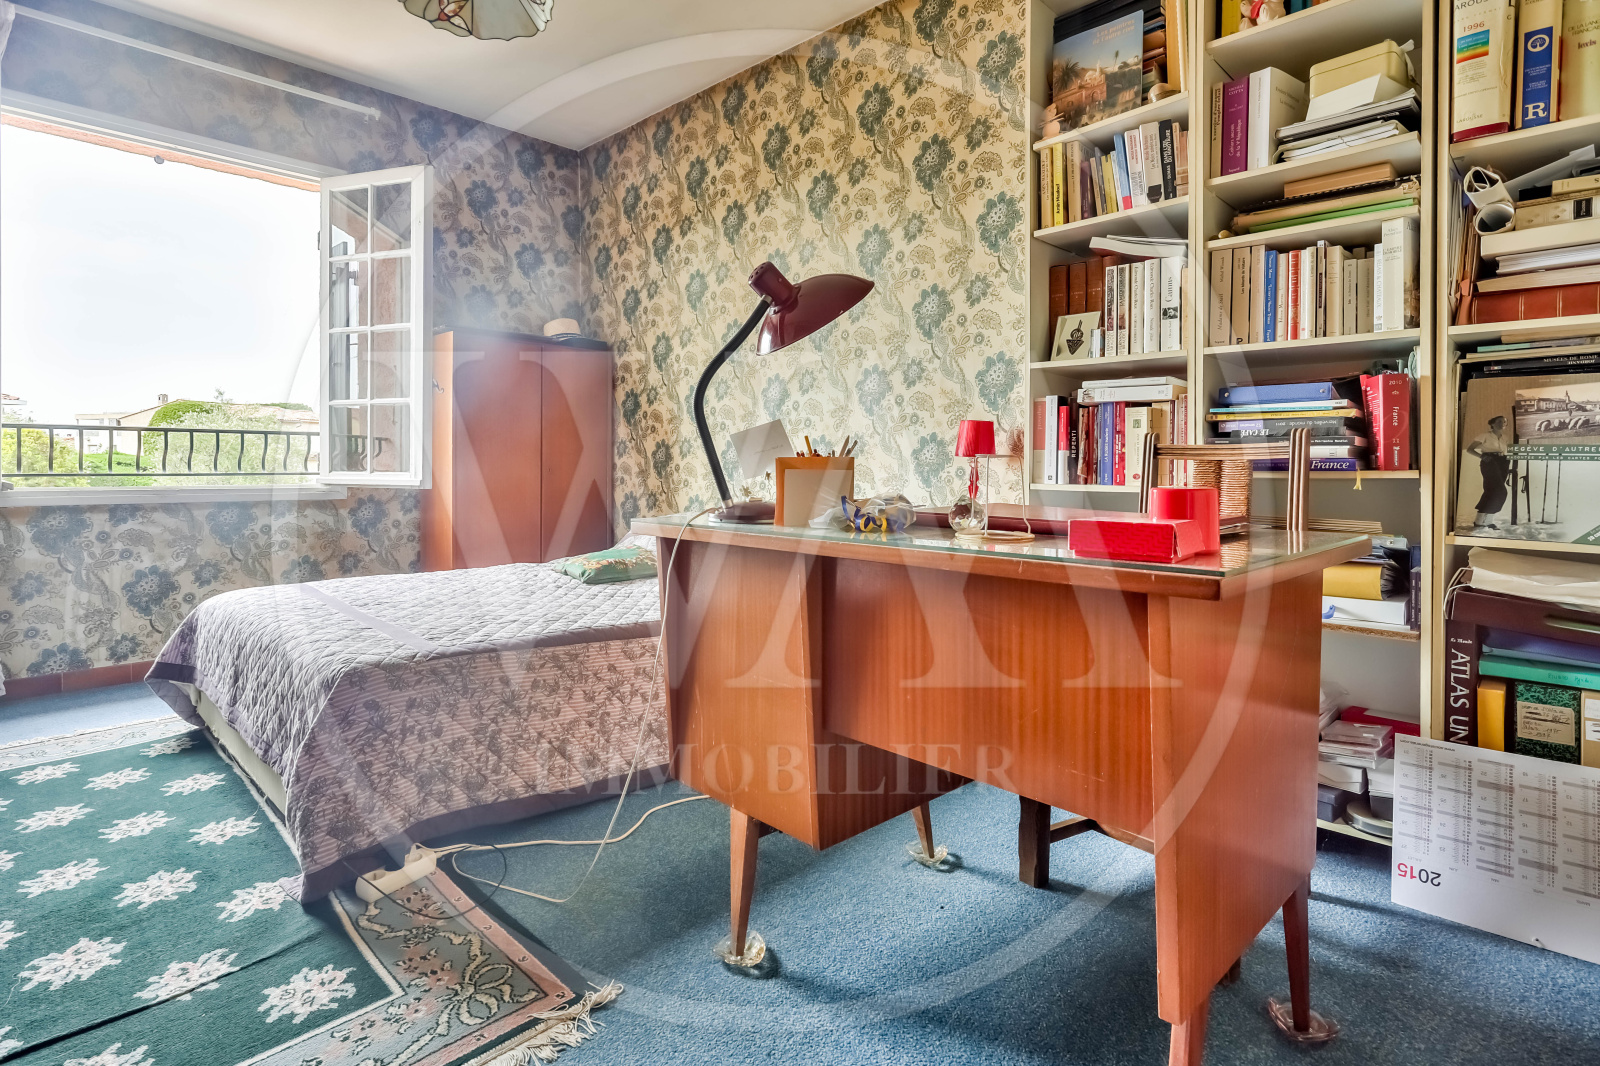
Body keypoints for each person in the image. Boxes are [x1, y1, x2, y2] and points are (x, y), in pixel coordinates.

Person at [1467, 415, 1509, 529]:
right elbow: (1470, 449)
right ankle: (1482, 521)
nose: (1502, 424)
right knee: (1500, 491)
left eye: (1504, 422)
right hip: (1490, 462)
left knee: (1492, 492)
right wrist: (1482, 457)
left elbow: (1505, 451)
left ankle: (1484, 521)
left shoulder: (1505, 437)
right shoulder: (1484, 435)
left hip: (1503, 463)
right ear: (1492, 423)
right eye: (1499, 421)